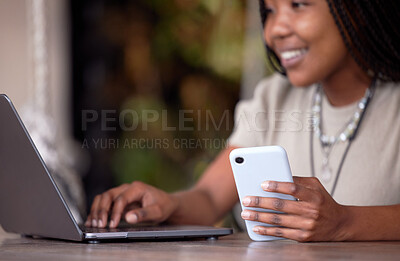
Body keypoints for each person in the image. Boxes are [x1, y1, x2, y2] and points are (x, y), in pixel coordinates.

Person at [85, 0, 400, 242]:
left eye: (298, 5)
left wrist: (345, 223)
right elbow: (209, 197)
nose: (275, 29)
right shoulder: (273, 97)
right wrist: (164, 204)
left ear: (355, 9)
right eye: (269, 11)